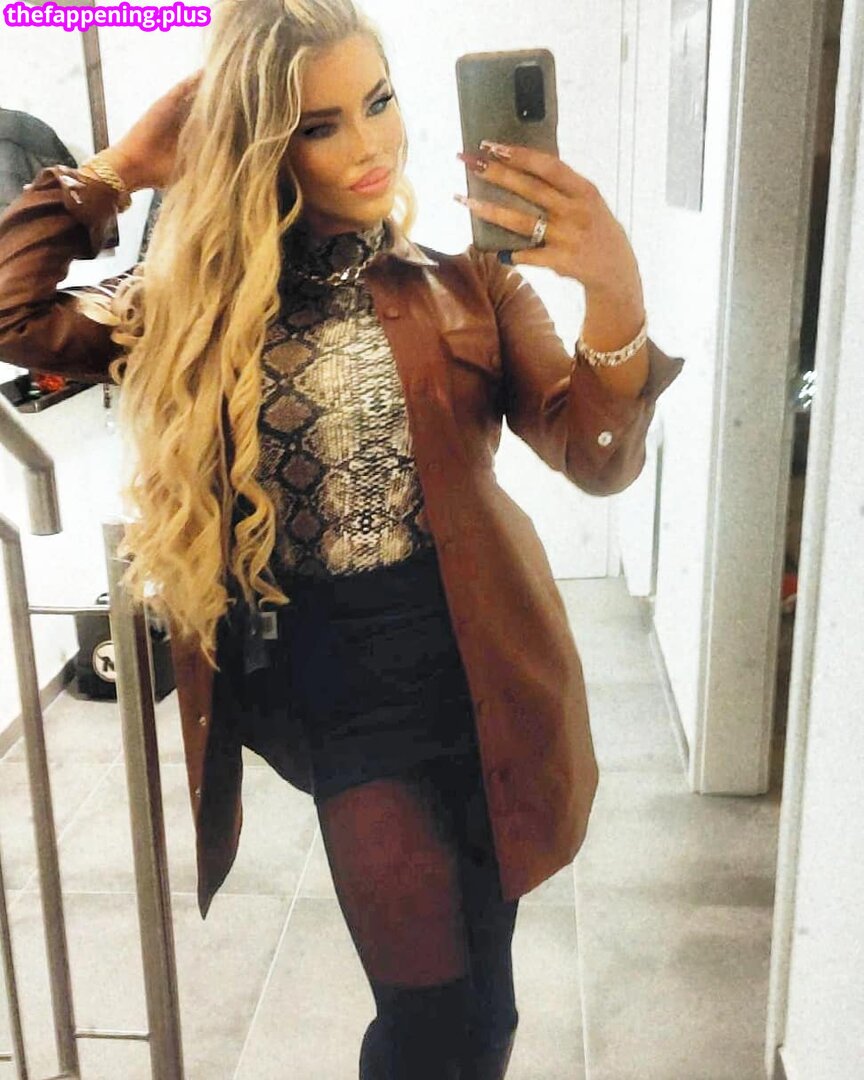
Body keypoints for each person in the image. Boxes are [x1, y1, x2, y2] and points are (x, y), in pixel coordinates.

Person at [0, 1, 685, 1075]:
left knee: (486, 1009)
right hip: (343, 693)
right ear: (264, 146)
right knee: (429, 1019)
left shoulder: (470, 283)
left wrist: (615, 288)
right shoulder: (190, 308)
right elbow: (12, 311)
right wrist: (118, 171)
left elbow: (597, 458)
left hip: (489, 664)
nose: (369, 145)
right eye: (320, 125)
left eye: (378, 102)